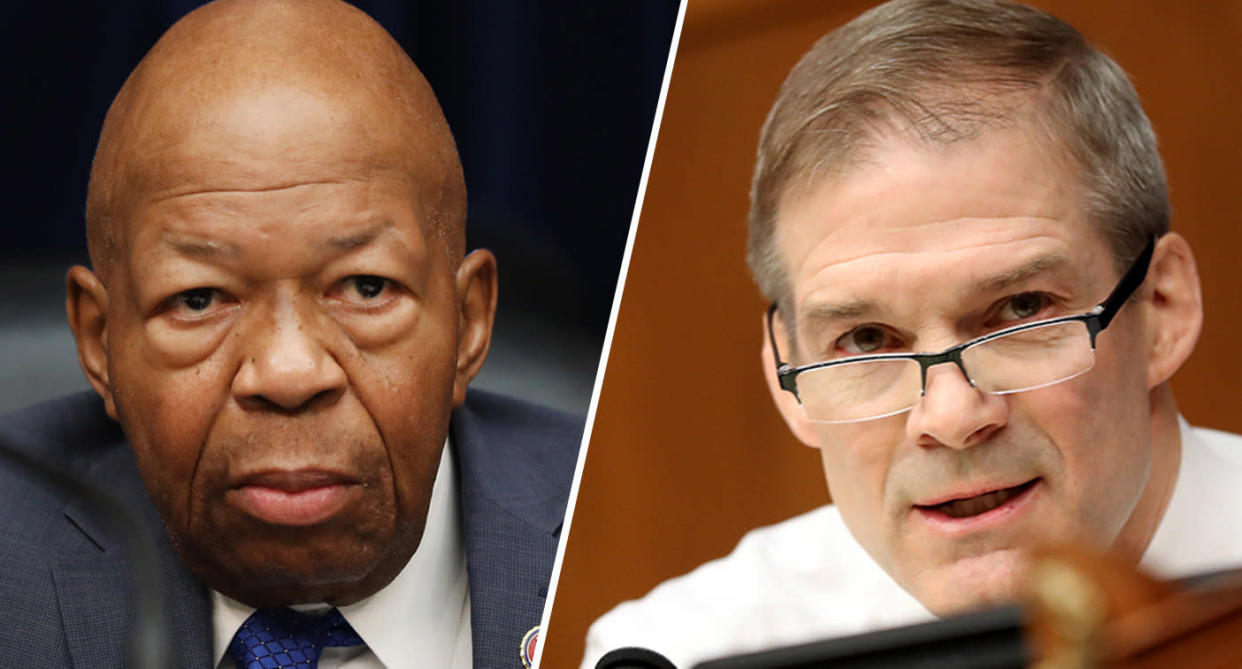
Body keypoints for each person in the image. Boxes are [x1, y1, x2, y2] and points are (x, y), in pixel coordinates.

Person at [582, 0, 1242, 666]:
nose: (952, 416)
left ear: (1162, 307)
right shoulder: (678, 651)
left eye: (1020, 307)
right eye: (866, 339)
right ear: (787, 377)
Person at [0, 1, 581, 667]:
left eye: (366, 287)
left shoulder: (632, 546)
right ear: (100, 342)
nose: (288, 373)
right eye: (199, 298)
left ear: (471, 322)